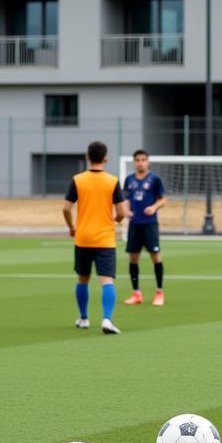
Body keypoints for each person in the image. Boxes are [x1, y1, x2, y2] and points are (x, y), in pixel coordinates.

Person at [62, 141, 129, 334]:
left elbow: (66, 208)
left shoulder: (78, 180)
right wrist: (114, 221)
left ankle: (83, 318)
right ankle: (107, 319)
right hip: (105, 239)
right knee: (107, 280)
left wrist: (71, 227)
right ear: (105, 158)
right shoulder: (112, 181)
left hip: (83, 237)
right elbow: (122, 212)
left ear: (87, 157)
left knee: (82, 279)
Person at [123, 149, 168, 306]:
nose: (140, 162)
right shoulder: (129, 180)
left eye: (143, 159)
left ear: (147, 162)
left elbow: (163, 200)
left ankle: (159, 292)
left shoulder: (155, 179)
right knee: (133, 258)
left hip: (149, 224)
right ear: (134, 162)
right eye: (138, 160)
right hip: (134, 225)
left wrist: (154, 207)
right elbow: (127, 199)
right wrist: (126, 210)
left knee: (155, 256)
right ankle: (136, 293)